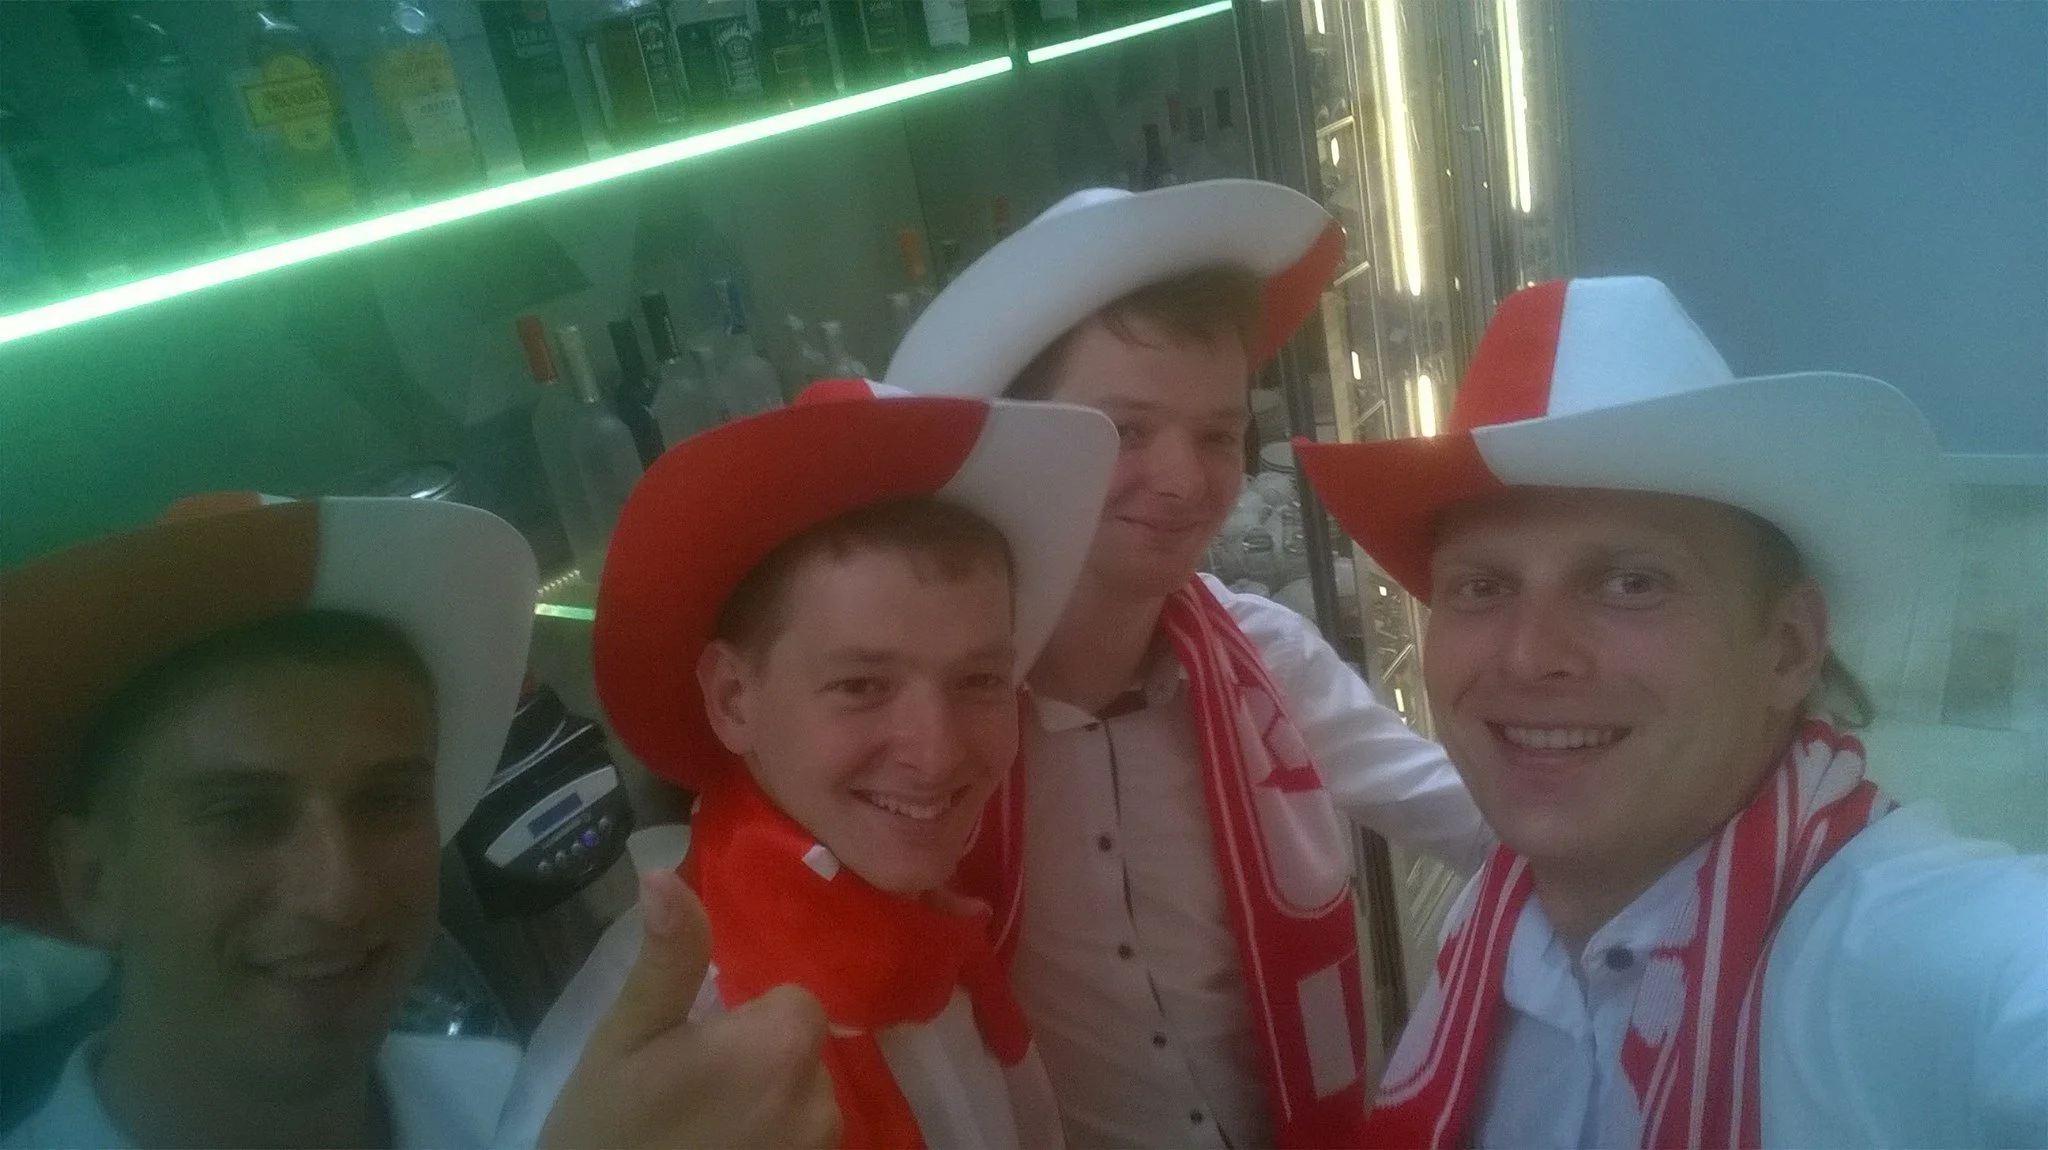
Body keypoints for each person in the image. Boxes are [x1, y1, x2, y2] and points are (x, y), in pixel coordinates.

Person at [1293, 275, 2048, 1147]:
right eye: (1483, 585)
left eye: (1629, 583)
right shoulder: (1492, 923)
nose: (1531, 654)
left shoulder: (1932, 964)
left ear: (1789, 648)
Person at [885, 180, 1492, 1147]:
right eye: (1125, 431)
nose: (1183, 480)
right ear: (1020, 442)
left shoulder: (1269, 659)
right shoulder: (925, 734)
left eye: (1216, 436)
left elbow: (1478, 817)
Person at [500, 379, 1120, 1148]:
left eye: (979, 681)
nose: (936, 753)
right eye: (862, 686)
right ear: (733, 700)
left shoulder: (932, 925)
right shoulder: (658, 1049)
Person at [0, 494, 536, 1149]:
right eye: (243, 816)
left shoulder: (523, 1104)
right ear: (91, 879)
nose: (337, 895)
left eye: (387, 800)